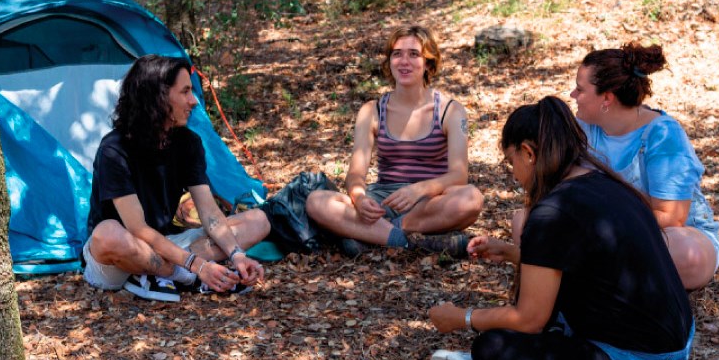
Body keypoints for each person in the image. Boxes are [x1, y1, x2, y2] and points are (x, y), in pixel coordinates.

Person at [428, 97, 694, 360]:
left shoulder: (552, 212)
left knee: (491, 348)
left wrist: (462, 318)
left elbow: (529, 319)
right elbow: (589, 265)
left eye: (511, 162)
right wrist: (514, 253)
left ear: (528, 151)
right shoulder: (601, 179)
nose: (513, 175)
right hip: (676, 345)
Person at [83, 55, 270, 302]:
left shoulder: (187, 143)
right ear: (157, 97)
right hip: (122, 255)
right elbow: (137, 229)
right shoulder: (114, 150)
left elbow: (210, 213)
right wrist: (198, 266)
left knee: (258, 221)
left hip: (166, 244)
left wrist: (237, 255)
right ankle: (185, 277)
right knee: (107, 233)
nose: (193, 101)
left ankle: (160, 275)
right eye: (185, 92)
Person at [305, 25, 483, 256]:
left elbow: (459, 176)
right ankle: (410, 242)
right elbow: (356, 174)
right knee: (316, 201)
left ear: (428, 62)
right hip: (383, 201)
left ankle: (372, 236)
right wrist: (359, 199)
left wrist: (418, 190)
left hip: (429, 204)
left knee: (472, 199)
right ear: (389, 61)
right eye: (397, 54)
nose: (404, 61)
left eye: (414, 54)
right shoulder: (372, 110)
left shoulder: (450, 110)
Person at [568, 42, 719, 290]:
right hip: (602, 227)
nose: (573, 96)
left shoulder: (662, 135)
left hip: (669, 234)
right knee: (527, 220)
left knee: (684, 252)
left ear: (607, 97)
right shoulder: (583, 127)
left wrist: (604, 204)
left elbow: (671, 218)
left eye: (580, 89)